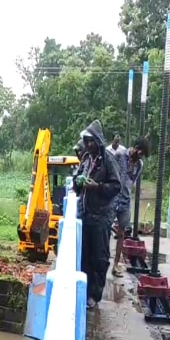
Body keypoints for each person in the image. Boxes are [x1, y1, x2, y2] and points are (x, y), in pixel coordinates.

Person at [72, 120, 122, 309]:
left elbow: (116, 186)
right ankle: (84, 292)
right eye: (86, 141)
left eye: (91, 141)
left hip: (101, 216)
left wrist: (97, 187)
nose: (88, 145)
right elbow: (76, 181)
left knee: (99, 257)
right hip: (85, 215)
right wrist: (79, 182)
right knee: (84, 255)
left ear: (98, 142)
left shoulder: (108, 160)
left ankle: (95, 294)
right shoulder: (86, 160)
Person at [111, 136, 149, 276]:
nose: (140, 156)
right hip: (113, 198)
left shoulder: (139, 165)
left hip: (125, 201)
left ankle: (115, 265)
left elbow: (132, 181)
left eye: (142, 155)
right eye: (139, 153)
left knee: (122, 233)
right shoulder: (120, 156)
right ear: (135, 147)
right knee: (104, 229)